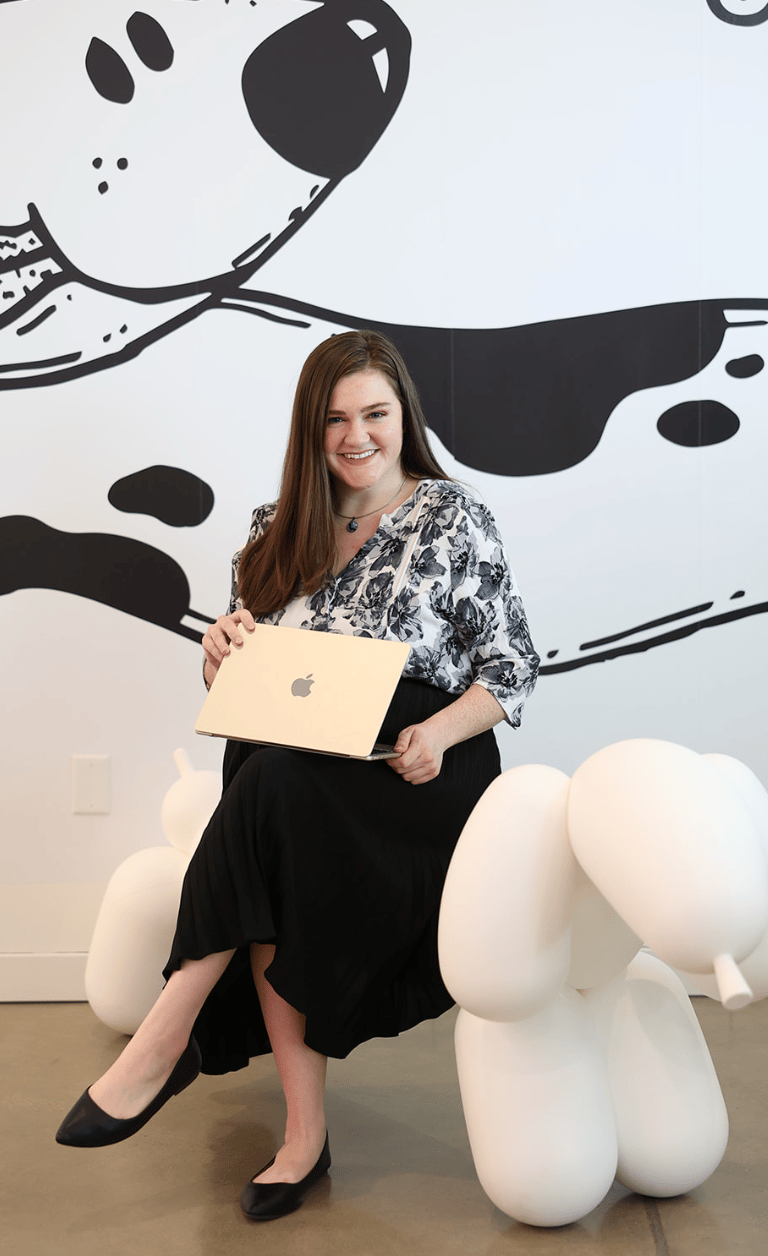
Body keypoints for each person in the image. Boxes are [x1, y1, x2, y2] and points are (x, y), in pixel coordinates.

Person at [56, 330, 539, 1219]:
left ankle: (167, 1036)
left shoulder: (451, 515)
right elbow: (250, 681)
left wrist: (439, 728)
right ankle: (299, 1137)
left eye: (375, 415)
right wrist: (218, 651)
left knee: (270, 793)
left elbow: (511, 668)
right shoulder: (274, 528)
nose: (357, 436)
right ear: (310, 430)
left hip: (416, 772)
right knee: (272, 790)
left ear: (404, 418)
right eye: (336, 420)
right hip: (298, 764)